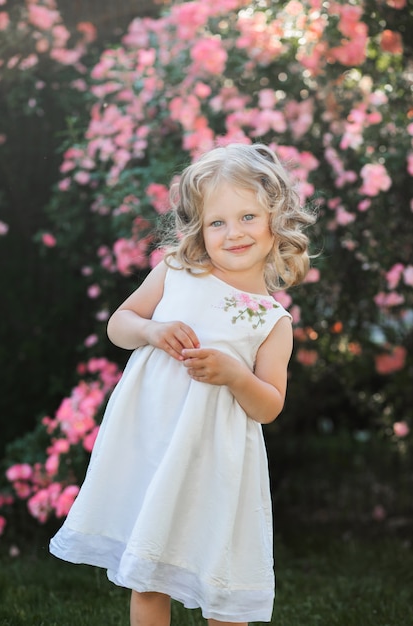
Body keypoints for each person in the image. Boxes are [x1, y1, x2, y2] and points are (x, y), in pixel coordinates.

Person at [50, 142, 315, 626]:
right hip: (155, 445)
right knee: (148, 574)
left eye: (248, 217)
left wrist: (236, 374)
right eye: (217, 222)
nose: (233, 233)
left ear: (277, 218)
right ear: (199, 228)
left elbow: (269, 405)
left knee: (221, 579)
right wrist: (151, 330)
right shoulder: (176, 270)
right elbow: (119, 324)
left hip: (214, 462)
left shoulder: (272, 321)